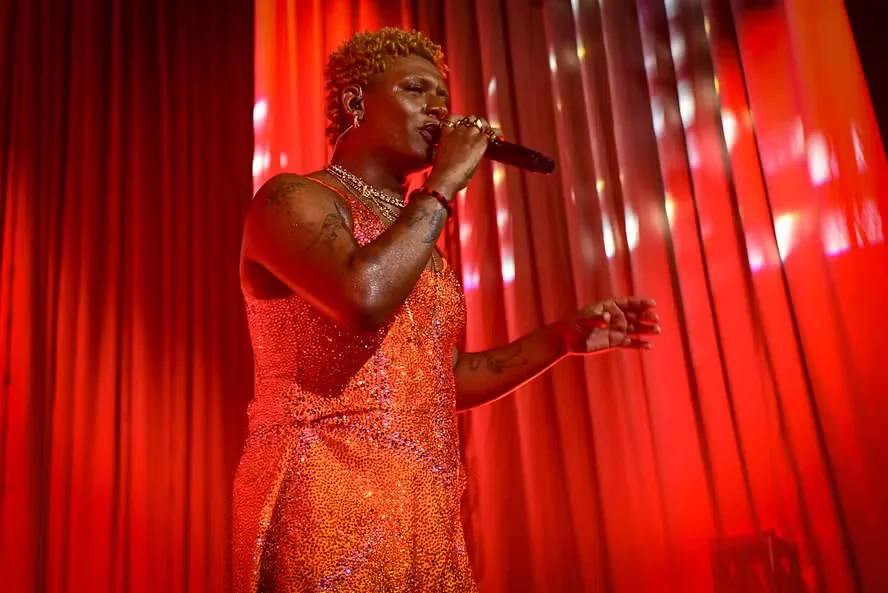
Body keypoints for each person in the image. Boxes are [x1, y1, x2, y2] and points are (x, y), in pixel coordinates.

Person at [232, 27, 659, 593]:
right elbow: (362, 299)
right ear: (357, 101)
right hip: (323, 488)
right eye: (417, 90)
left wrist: (561, 338)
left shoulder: (416, 240)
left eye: (444, 98)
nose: (439, 110)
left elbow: (436, 382)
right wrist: (444, 185)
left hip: (424, 509)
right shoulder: (293, 199)